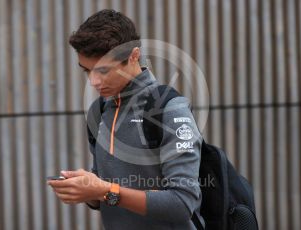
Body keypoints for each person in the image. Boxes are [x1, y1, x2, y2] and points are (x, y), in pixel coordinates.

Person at [48, 9, 205, 230]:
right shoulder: (98, 111)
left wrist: (103, 190)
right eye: (87, 71)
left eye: (103, 70)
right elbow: (108, 190)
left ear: (133, 56)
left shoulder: (169, 108)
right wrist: (87, 190)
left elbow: (182, 204)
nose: (93, 81)